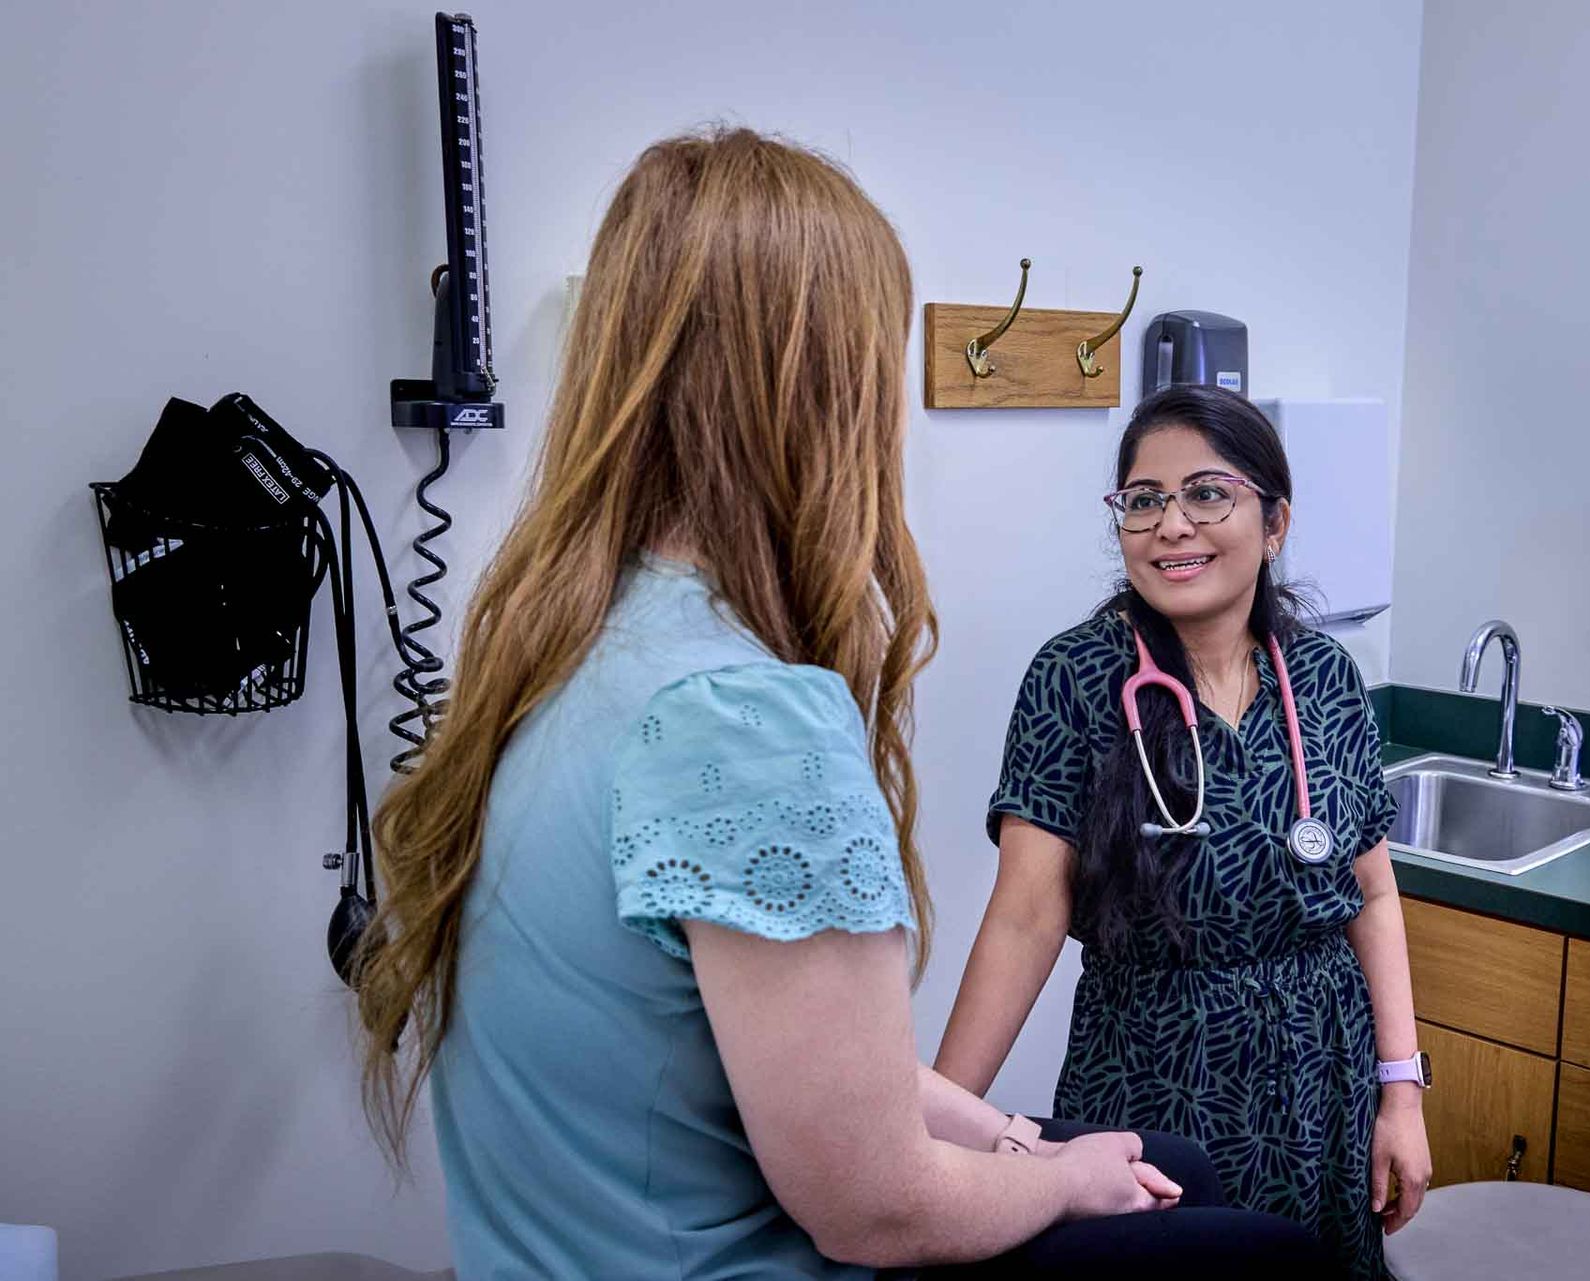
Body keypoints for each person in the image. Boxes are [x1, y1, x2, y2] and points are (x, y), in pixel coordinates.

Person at [352, 129, 1333, 1280]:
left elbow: (770, 1050)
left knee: (1174, 1172)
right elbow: (876, 1211)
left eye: (1213, 498)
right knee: (1264, 1253)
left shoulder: (568, 648)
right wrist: (1057, 1177)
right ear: (822, 393)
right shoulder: (746, 722)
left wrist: (1012, 1134)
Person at [933, 385, 1432, 1278]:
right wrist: (939, 1123)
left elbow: (1374, 891)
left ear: (1274, 522)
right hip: (1157, 1076)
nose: (1171, 524)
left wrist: (1402, 1096)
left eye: (1208, 493)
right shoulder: (1076, 678)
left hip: (1324, 1076)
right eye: (1144, 499)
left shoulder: (1323, 677)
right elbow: (1023, 919)